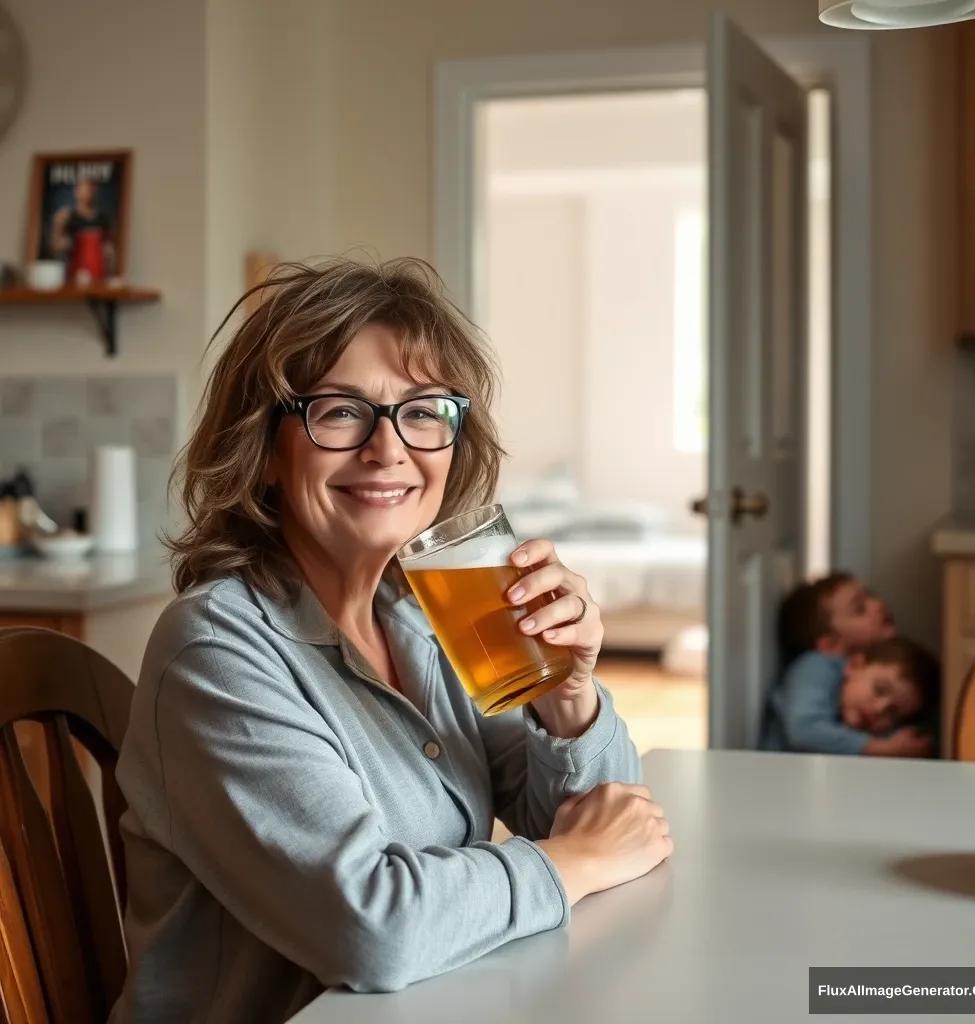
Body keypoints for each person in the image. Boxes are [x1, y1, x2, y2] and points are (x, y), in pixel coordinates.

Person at [108, 257, 672, 1024]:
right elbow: (372, 930)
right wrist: (570, 862)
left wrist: (568, 698)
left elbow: (608, 819)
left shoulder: (422, 619)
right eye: (340, 412)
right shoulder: (217, 652)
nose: (388, 449)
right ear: (266, 449)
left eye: (423, 410)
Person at [760, 636, 939, 757]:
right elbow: (803, 730)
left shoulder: (870, 728)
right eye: (880, 690)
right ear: (854, 665)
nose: (879, 709)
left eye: (892, 713)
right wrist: (885, 749)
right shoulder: (819, 666)